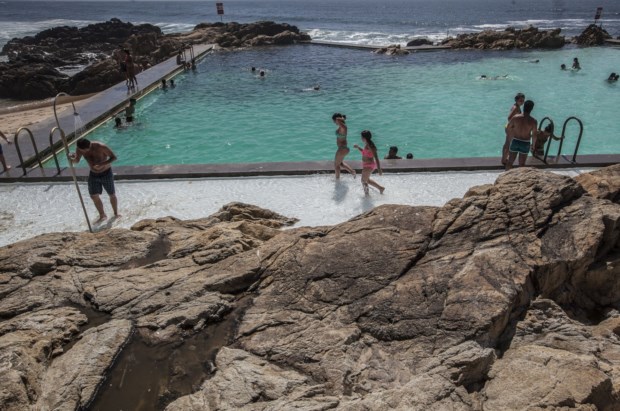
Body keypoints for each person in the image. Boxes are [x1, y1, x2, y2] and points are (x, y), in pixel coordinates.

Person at [69, 138, 119, 223]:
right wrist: (71, 158)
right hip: (93, 174)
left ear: (89, 145)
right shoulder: (80, 149)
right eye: (83, 150)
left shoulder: (100, 146)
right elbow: (76, 160)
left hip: (106, 172)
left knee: (111, 194)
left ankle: (116, 213)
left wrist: (101, 164)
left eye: (86, 150)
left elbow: (114, 157)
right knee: (93, 196)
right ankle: (102, 215)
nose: (85, 152)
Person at [505, 100, 537, 170]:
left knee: (510, 162)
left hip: (515, 141)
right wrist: (533, 145)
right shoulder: (533, 121)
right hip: (525, 143)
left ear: (524, 107)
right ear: (532, 109)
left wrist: (510, 137)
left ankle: (506, 175)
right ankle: (520, 176)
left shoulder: (515, 117)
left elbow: (508, 128)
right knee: (522, 164)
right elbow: (534, 135)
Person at [354, 130, 384, 195]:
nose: (361, 138)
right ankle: (380, 188)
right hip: (366, 165)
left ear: (364, 138)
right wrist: (358, 147)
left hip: (369, 165)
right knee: (367, 180)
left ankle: (367, 195)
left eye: (361, 137)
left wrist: (379, 169)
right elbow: (364, 152)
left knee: (363, 180)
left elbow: (376, 157)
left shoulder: (370, 145)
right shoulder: (367, 144)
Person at [502, 92, 525, 165]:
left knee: (507, 143)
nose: (522, 102)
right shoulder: (515, 108)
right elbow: (509, 118)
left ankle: (504, 158)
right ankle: (504, 160)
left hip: (509, 127)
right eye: (520, 100)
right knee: (508, 144)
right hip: (511, 128)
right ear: (516, 100)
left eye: (523, 100)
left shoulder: (516, 106)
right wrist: (514, 126)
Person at [332, 113, 356, 179]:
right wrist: (342, 119)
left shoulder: (344, 127)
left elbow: (337, 119)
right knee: (340, 163)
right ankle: (352, 171)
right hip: (342, 148)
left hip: (342, 149)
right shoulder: (341, 127)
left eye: (334, 121)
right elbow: (338, 120)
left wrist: (342, 118)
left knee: (336, 165)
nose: (334, 122)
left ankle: (337, 180)